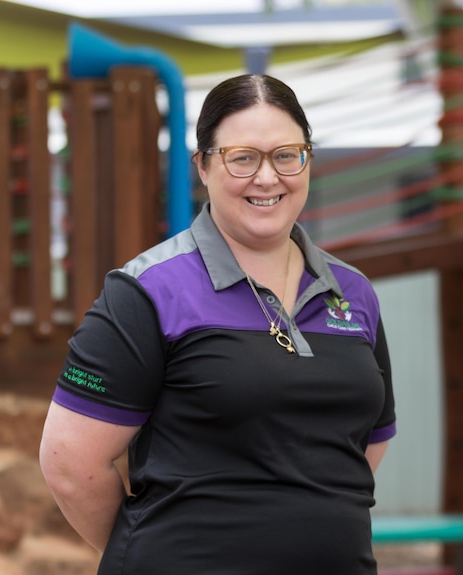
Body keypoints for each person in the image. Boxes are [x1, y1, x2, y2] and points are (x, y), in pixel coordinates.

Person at [39, 73, 396, 574]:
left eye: (286, 155)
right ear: (204, 166)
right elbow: (70, 464)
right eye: (242, 157)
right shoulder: (147, 292)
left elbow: (368, 440)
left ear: (307, 161)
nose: (267, 177)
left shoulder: (353, 293)